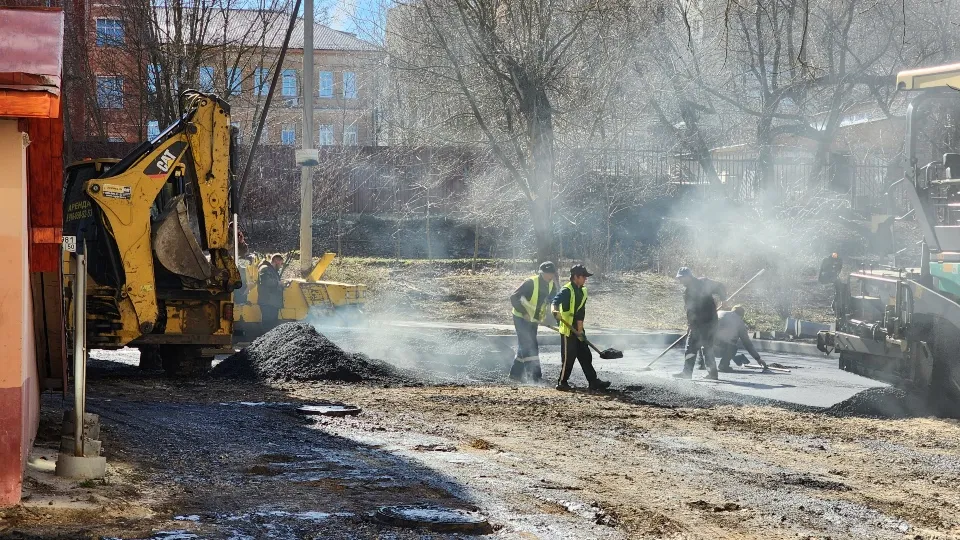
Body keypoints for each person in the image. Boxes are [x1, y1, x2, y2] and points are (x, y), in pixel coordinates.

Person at [551, 264, 611, 391]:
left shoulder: (583, 291)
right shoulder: (566, 290)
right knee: (569, 358)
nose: (586, 279)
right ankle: (562, 382)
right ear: (576, 277)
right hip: (567, 329)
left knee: (585, 355)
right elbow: (554, 302)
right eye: (584, 276)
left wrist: (580, 331)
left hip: (577, 328)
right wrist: (555, 311)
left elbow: (580, 312)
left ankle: (593, 382)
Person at [508, 261, 558, 383]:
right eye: (547, 273)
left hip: (533, 319)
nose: (549, 276)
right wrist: (524, 312)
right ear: (541, 273)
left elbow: (552, 302)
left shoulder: (552, 286)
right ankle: (535, 377)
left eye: (551, 273)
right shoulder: (531, 282)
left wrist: (549, 318)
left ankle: (515, 374)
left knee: (524, 345)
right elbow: (514, 297)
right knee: (530, 344)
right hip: (521, 317)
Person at [674, 267, 726, 380]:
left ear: (688, 276)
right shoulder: (703, 282)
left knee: (690, 347)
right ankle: (712, 374)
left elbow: (690, 312)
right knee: (708, 348)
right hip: (711, 322)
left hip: (701, 324)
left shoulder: (694, 289)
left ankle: (687, 373)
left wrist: (691, 326)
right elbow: (720, 286)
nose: (680, 281)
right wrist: (724, 299)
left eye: (681, 278)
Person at [714, 305, 768, 373]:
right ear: (741, 315)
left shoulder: (719, 312)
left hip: (708, 346)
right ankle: (723, 365)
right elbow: (747, 344)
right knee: (733, 347)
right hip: (720, 349)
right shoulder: (740, 323)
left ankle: (702, 363)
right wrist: (758, 359)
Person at [258, 253, 285, 332]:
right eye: (280, 263)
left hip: (272, 302)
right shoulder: (265, 269)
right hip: (268, 302)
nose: (281, 265)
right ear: (276, 260)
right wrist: (279, 283)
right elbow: (266, 282)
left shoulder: (272, 271)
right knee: (268, 325)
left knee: (272, 325)